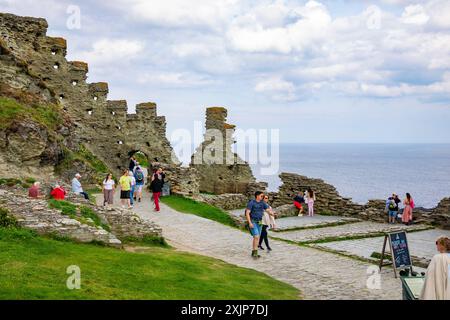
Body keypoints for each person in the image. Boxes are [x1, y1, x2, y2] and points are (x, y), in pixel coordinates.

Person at [245, 191, 274, 259]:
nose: (263, 197)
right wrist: (250, 223)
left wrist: (272, 213)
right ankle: (255, 252)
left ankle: (254, 252)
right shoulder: (251, 203)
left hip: (260, 222)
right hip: (253, 221)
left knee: (256, 237)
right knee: (257, 236)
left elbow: (267, 210)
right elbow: (247, 213)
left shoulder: (262, 203)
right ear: (257, 196)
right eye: (261, 196)